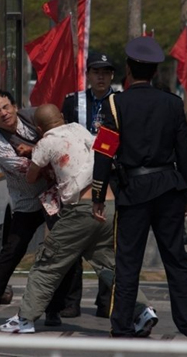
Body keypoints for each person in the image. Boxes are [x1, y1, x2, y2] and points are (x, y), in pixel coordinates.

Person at [0, 104, 157, 335]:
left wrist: (34, 156)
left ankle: (24, 319)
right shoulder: (80, 129)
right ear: (62, 117)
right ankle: (143, 310)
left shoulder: (46, 142)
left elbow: (31, 178)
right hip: (109, 206)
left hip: (81, 210)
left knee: (48, 262)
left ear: (39, 128)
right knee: (108, 265)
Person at [91, 37, 187, 340]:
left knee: (128, 264)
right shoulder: (173, 103)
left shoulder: (115, 104)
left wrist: (98, 195)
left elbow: (104, 152)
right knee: (176, 262)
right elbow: (184, 153)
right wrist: (186, 192)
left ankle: (122, 327)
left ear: (128, 69)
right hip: (168, 187)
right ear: (155, 71)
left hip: (134, 191)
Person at [0, 91, 70, 328]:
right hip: (27, 197)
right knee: (12, 250)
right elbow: (26, 169)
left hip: (56, 192)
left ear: (15, 106)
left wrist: (33, 150)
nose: (3, 113)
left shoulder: (36, 116)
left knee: (63, 248)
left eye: (6, 107)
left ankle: (55, 308)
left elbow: (64, 143)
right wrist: (44, 153)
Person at [59, 52, 115, 318]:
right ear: (88, 74)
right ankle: (71, 301)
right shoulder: (73, 101)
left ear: (112, 75)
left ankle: (106, 301)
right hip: (78, 179)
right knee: (75, 240)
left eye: (105, 72)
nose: (100, 77)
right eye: (96, 71)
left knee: (108, 242)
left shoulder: (119, 102)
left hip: (111, 179)